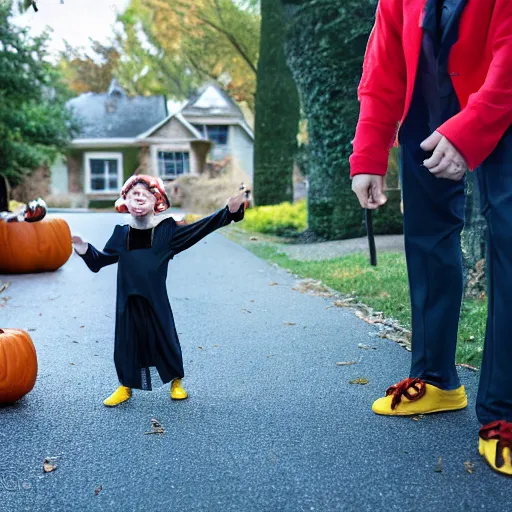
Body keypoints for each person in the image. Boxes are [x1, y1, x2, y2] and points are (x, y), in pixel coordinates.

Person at [349, 0, 512, 475]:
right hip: (426, 113)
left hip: (501, 105)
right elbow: (381, 68)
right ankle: (436, 379)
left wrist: (470, 130)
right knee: (426, 241)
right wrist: (368, 155)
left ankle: (504, 410)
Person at [72, 175, 246, 407]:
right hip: (128, 300)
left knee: (165, 337)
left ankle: (176, 383)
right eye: (134, 195)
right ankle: (125, 386)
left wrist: (229, 213)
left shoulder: (166, 232)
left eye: (145, 195)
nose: (139, 199)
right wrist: (84, 248)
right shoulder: (121, 234)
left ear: (157, 201)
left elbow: (199, 229)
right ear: (125, 200)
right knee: (126, 342)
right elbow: (99, 262)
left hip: (155, 299)